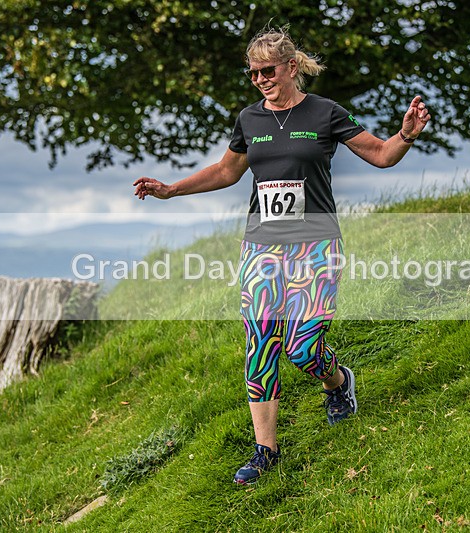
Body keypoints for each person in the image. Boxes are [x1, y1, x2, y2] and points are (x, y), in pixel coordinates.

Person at [133, 27, 431, 485]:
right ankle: (265, 452)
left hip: (316, 246)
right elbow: (226, 171)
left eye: (267, 70)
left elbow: (381, 154)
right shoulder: (249, 120)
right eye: (252, 74)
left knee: (303, 348)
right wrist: (171, 190)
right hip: (262, 248)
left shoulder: (325, 112)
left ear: (292, 67)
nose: (259, 79)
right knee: (261, 344)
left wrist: (405, 136)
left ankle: (338, 382)